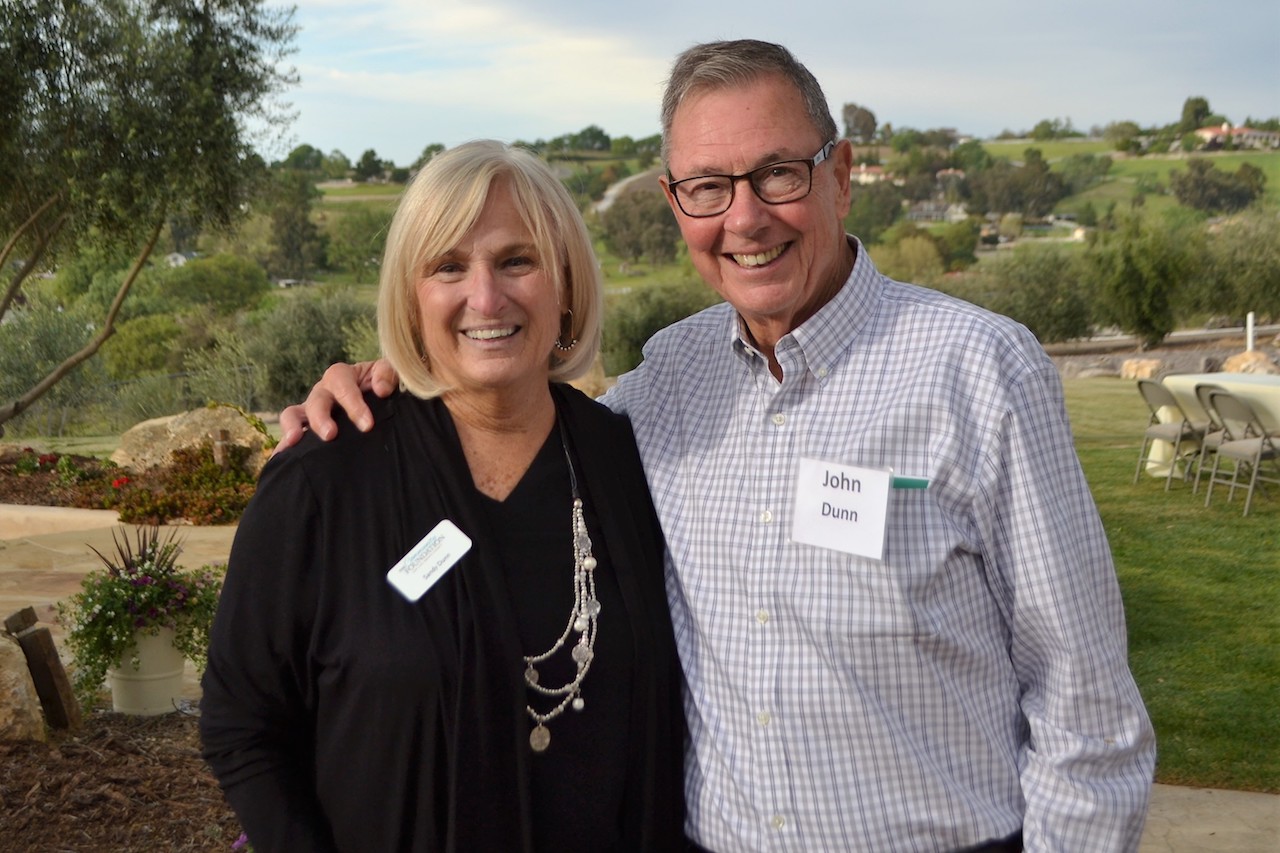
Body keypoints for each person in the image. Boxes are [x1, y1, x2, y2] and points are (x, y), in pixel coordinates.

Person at [280, 40, 1156, 852]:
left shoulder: (982, 370)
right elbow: (511, 413)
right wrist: (389, 388)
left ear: (840, 175)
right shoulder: (667, 383)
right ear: (676, 203)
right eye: (707, 186)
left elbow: (1086, 706)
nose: (745, 217)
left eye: (777, 174)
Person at [199, 140, 685, 851]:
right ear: (411, 297)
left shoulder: (628, 461)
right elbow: (241, 725)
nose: (485, 298)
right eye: (449, 267)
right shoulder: (324, 480)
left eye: (517, 261)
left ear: (566, 285)